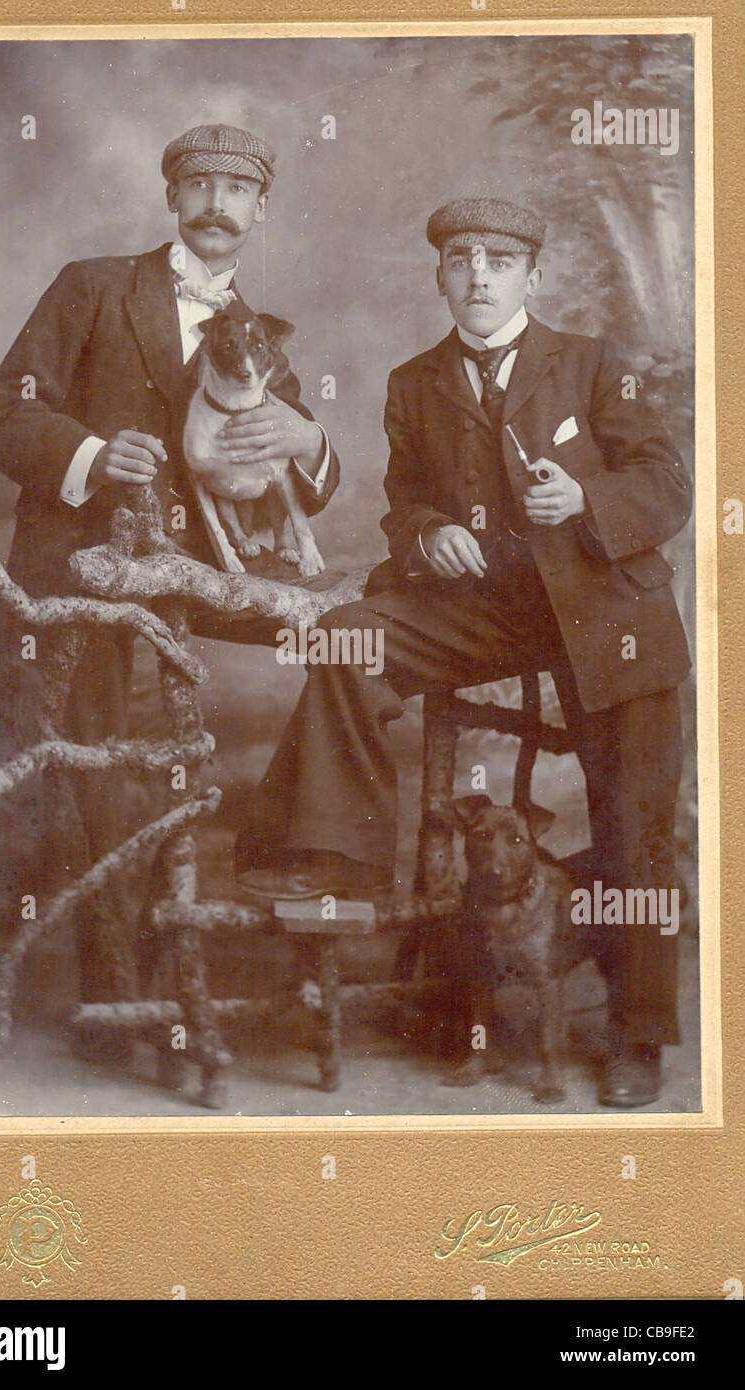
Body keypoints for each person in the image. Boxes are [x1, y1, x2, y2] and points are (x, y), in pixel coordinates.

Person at [236, 195, 693, 1108]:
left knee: (634, 812)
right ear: (441, 277)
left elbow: (668, 484)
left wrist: (588, 501)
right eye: (460, 261)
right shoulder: (414, 382)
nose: (478, 274)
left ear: (532, 275)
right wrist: (428, 532)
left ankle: (636, 1031)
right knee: (345, 639)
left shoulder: (595, 365)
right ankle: (335, 863)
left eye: (498, 259)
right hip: (485, 604)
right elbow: (402, 499)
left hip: (605, 607)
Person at [0, 124, 339, 1005]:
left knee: (348, 649)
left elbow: (298, 485)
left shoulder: (255, 333)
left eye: (238, 190)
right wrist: (93, 455)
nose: (218, 204)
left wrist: (309, 438)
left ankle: (282, 879)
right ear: (172, 199)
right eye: (201, 186)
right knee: (107, 759)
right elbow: (2, 414)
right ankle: (129, 990)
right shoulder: (92, 287)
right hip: (91, 573)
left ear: (259, 210)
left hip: (205, 573)